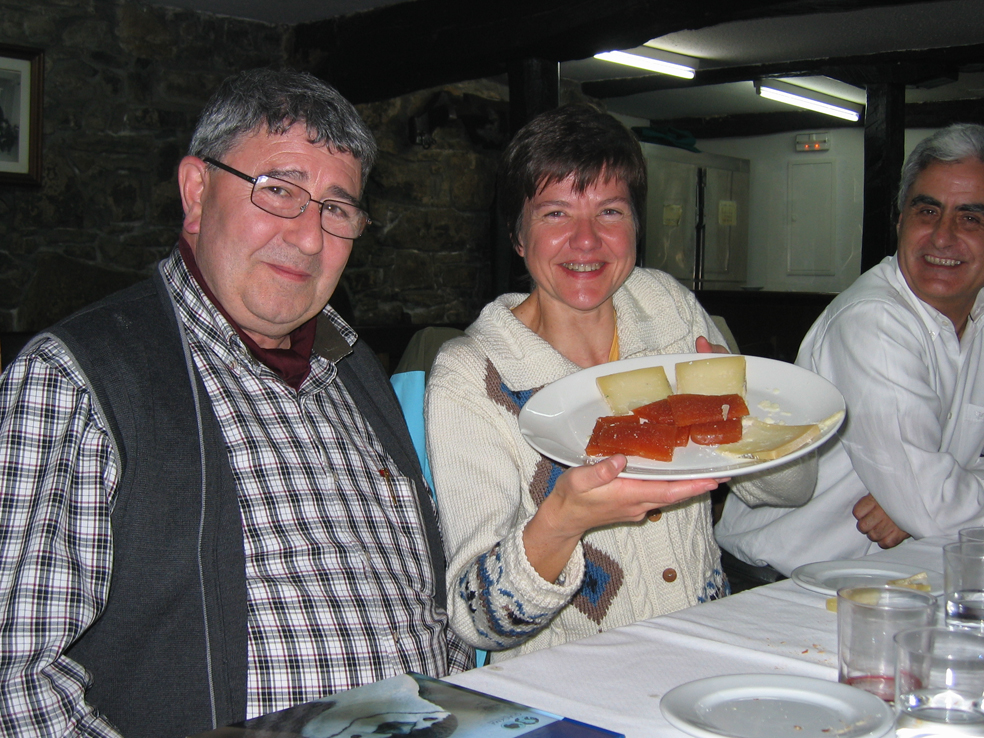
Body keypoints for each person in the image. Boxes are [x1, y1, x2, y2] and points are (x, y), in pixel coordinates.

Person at [0, 68, 471, 738]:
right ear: (197, 191)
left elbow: (430, 615)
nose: (310, 237)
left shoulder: (356, 370)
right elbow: (16, 683)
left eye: (337, 209)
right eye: (279, 190)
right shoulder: (76, 380)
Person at [424, 104, 806, 661]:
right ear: (517, 236)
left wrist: (740, 421)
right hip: (572, 684)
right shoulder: (473, 375)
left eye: (610, 211)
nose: (586, 241)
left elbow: (794, 490)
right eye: (555, 213)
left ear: (636, 227)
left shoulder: (668, 309)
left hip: (710, 650)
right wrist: (562, 522)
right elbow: (478, 621)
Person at [716, 123, 984, 577]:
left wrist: (922, 502)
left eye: (971, 218)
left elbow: (928, 505)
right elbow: (930, 507)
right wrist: (922, 502)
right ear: (900, 221)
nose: (943, 236)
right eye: (927, 210)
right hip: (775, 582)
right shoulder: (873, 322)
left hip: (884, 577)